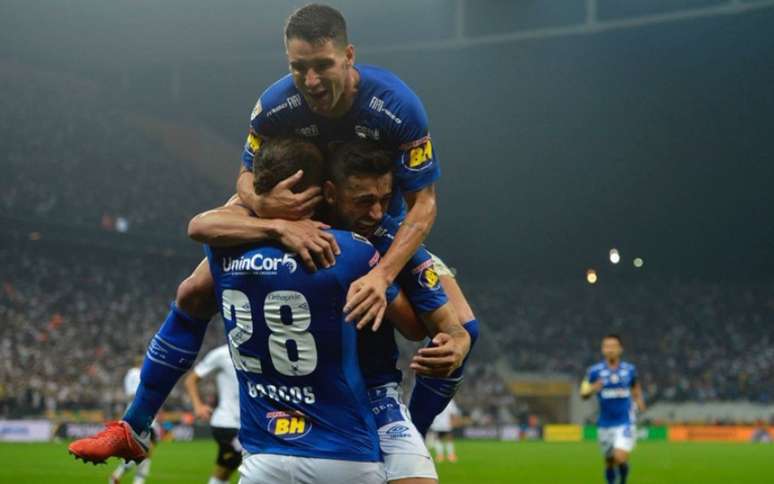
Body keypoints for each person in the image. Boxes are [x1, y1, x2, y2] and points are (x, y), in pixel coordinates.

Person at [191, 138, 471, 484]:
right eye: (364, 201)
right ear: (330, 193)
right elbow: (200, 237)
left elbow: (445, 330)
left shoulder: (394, 244)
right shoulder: (336, 243)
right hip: (318, 410)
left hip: (378, 399)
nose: (377, 213)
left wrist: (451, 339)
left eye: (386, 200)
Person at [580, 334, 646, 484]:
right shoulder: (594, 371)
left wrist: (639, 401)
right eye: (606, 346)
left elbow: (635, 387)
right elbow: (583, 393)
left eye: (613, 346)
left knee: (620, 456)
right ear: (603, 349)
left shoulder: (629, 369)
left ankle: (622, 480)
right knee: (609, 461)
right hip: (604, 423)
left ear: (620, 349)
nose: (610, 349)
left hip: (625, 421)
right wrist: (592, 388)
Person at [184, 345, 242, 484]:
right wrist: (198, 406)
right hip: (227, 422)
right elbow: (191, 379)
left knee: (225, 470)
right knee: (248, 463)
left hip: (249, 423)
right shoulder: (221, 354)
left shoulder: (259, 351)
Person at [107, 360, 159, 484]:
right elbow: (136, 394)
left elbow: (132, 394)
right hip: (142, 415)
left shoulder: (131, 375)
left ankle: (116, 477)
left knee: (143, 451)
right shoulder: (138, 374)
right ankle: (124, 478)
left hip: (140, 415)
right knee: (145, 451)